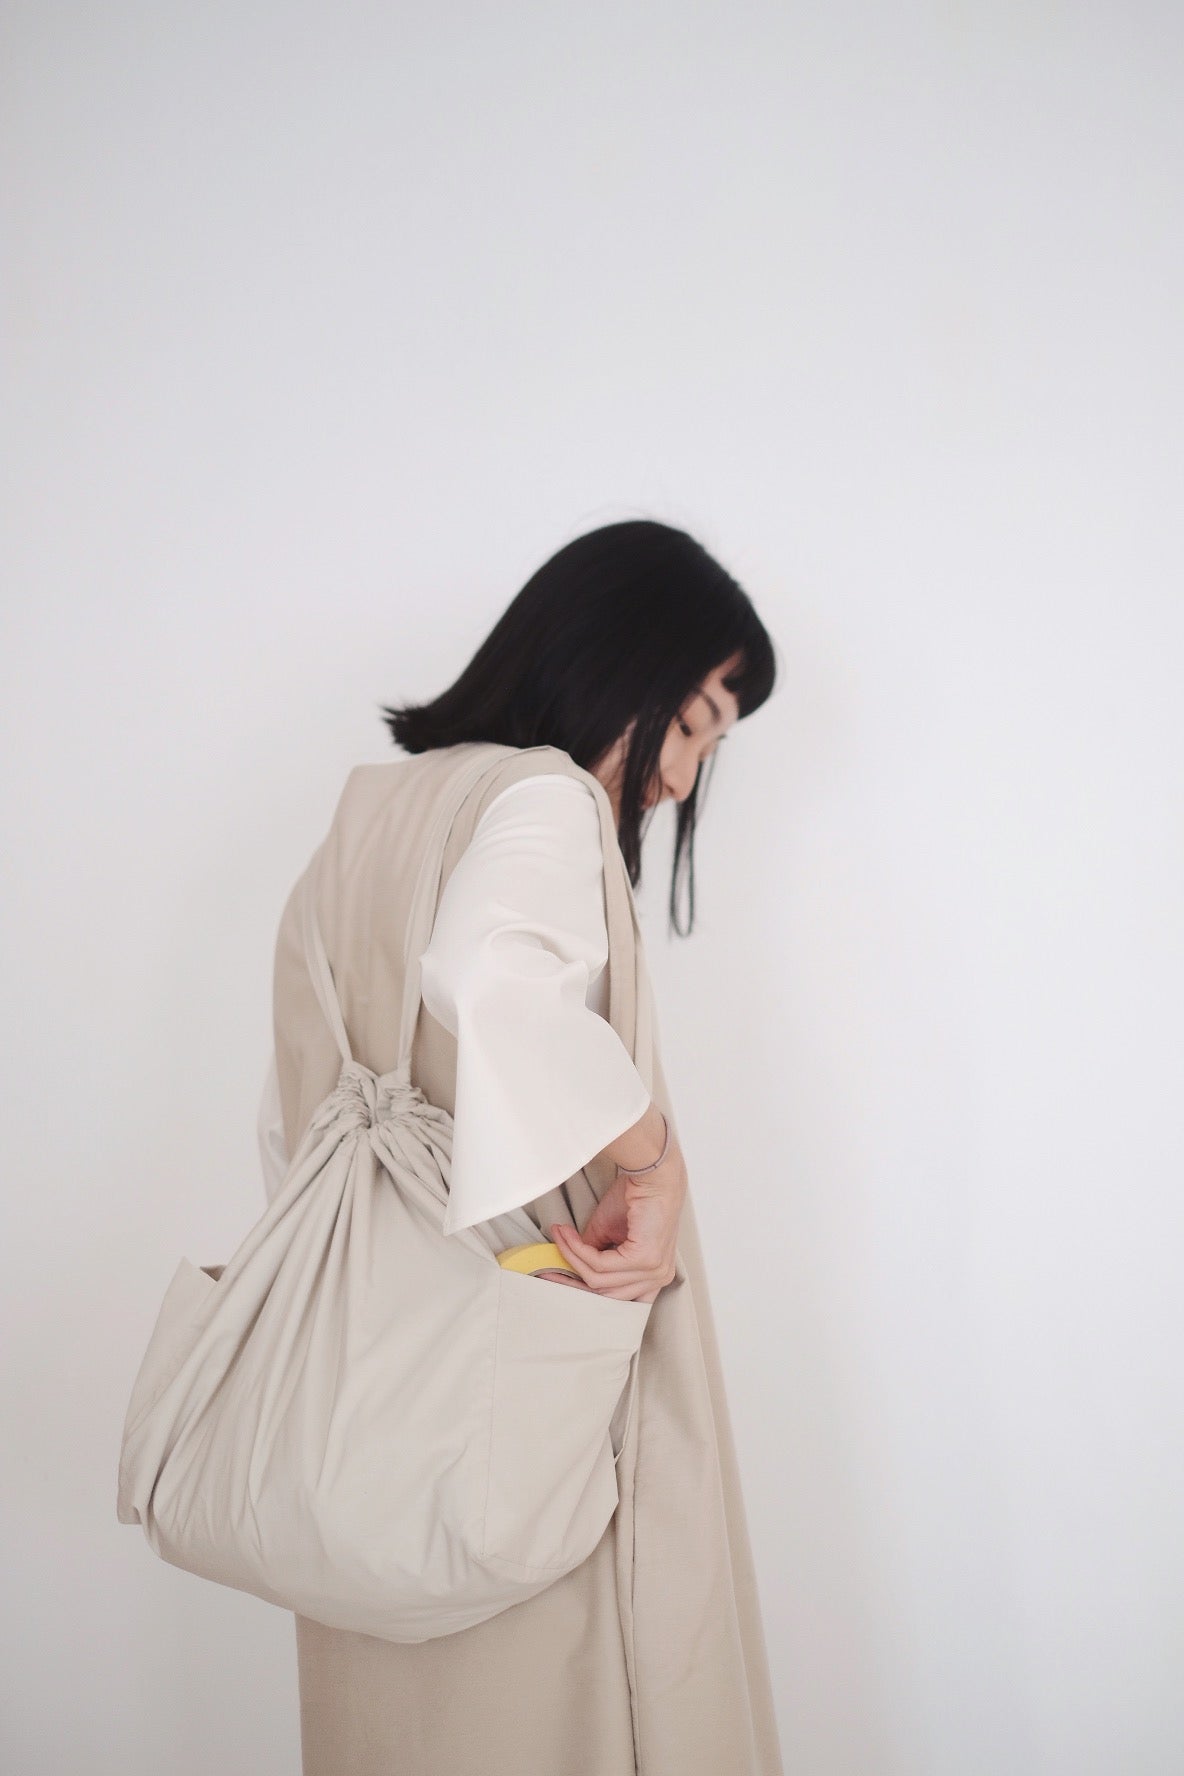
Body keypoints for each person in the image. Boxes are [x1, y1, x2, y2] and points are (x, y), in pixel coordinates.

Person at [259, 518, 784, 1775]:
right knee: (560, 1705)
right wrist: (650, 1162)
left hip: (362, 1400)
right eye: (695, 722)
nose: (685, 776)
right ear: (619, 659)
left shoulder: (372, 811)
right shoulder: (541, 797)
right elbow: (490, 975)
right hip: (522, 1380)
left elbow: (293, 1112)